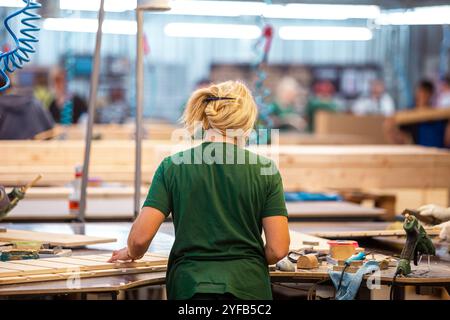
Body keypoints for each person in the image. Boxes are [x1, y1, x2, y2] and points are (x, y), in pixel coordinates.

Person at [108, 80, 290, 300]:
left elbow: (139, 239)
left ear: (206, 119)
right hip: (249, 288)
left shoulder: (172, 167)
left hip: (191, 288)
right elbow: (278, 249)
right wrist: (245, 261)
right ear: (247, 124)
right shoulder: (266, 170)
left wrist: (131, 253)